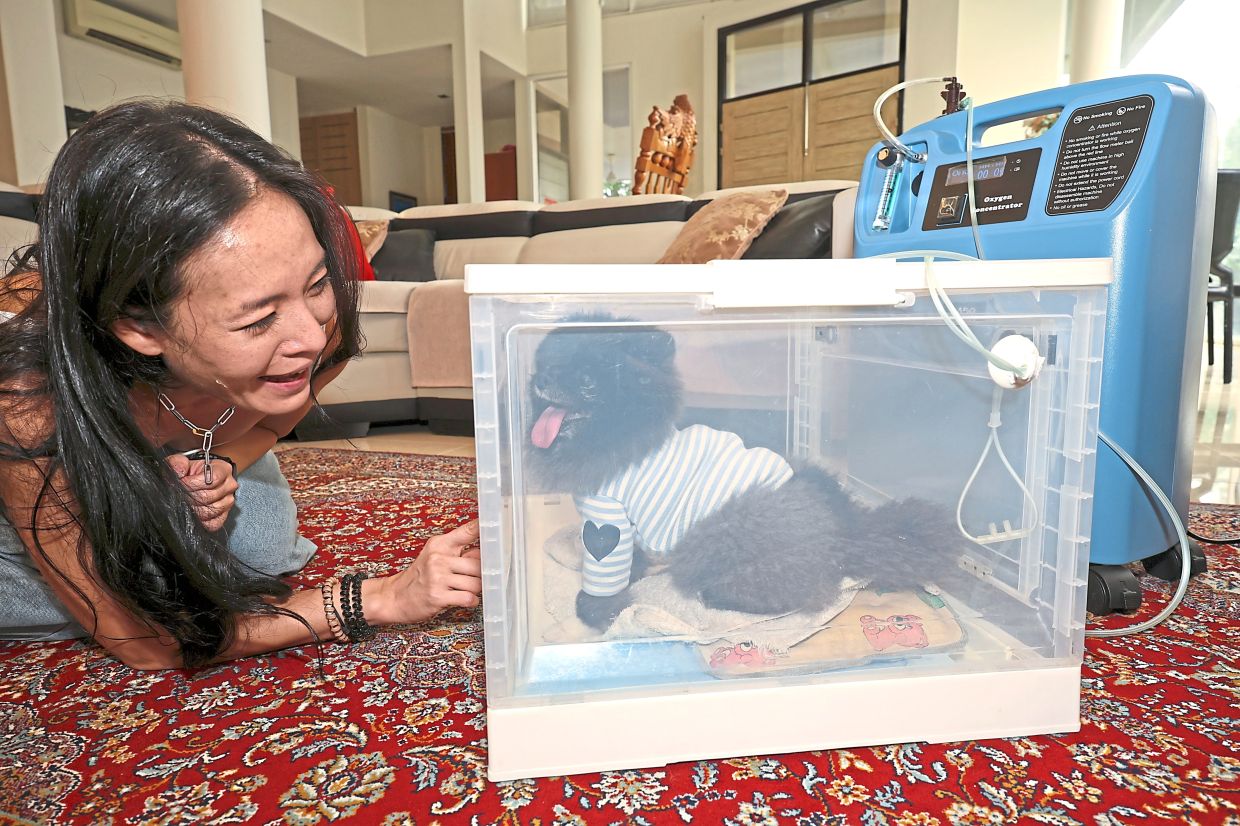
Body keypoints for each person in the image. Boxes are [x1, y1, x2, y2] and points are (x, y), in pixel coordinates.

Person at [0, 100, 482, 669]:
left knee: (260, 547)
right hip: (40, 467)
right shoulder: (24, 389)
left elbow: (283, 413)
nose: (309, 334)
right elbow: (146, 643)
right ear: (137, 325)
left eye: (317, 282)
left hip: (173, 449)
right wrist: (377, 598)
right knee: (122, 593)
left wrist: (225, 458)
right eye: (257, 319)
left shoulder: (314, 322)